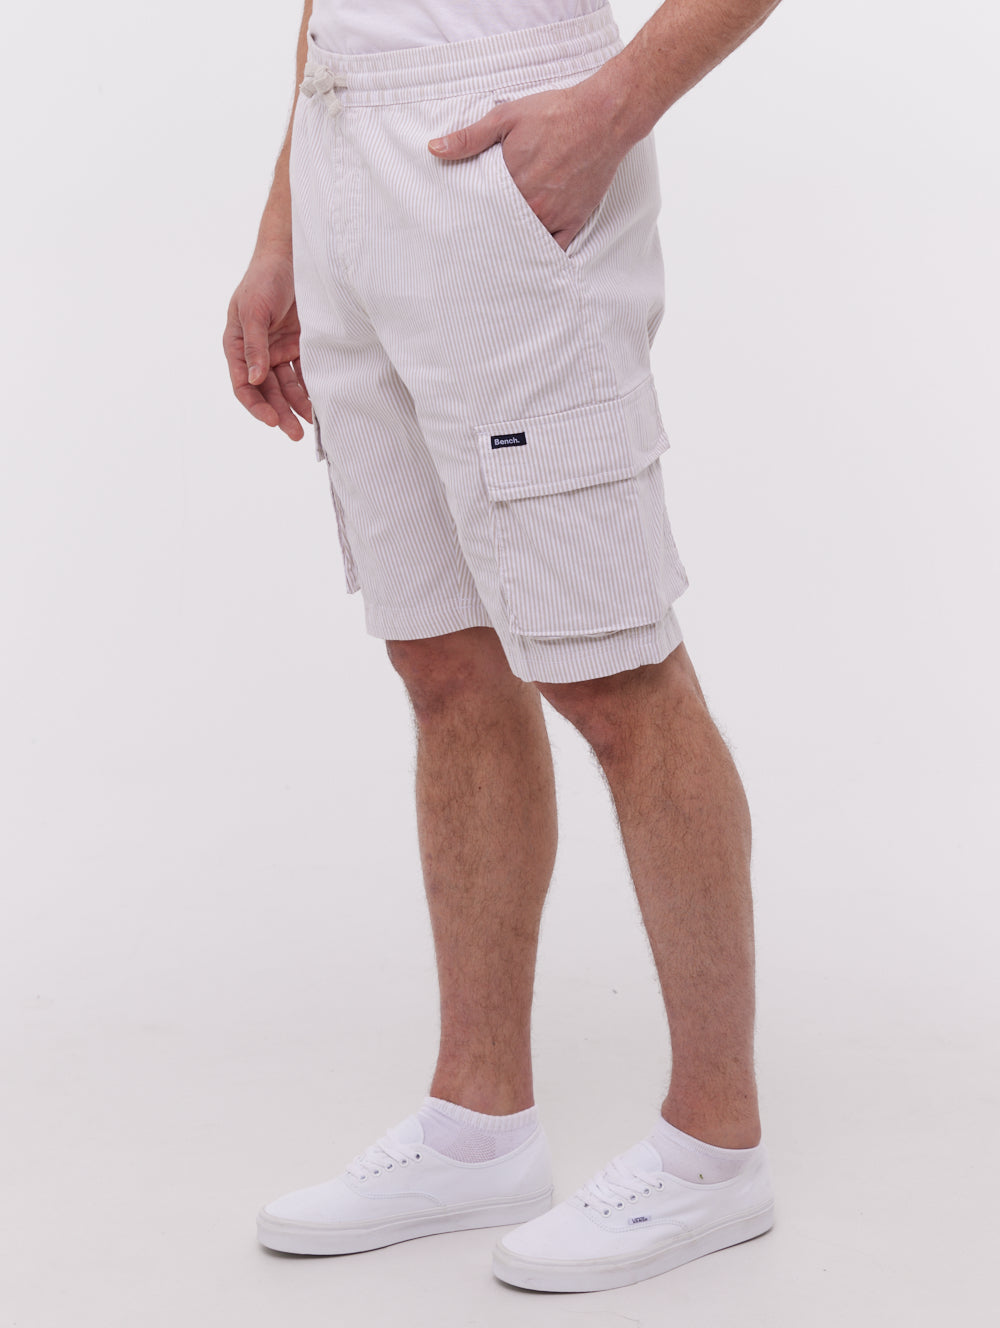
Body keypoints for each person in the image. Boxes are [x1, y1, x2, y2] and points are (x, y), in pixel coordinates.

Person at [223, 0, 782, 1294]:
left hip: (504, 143)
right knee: (441, 661)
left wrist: (615, 107)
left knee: (612, 672)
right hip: (346, 145)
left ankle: (716, 1149)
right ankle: (478, 1128)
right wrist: (283, 232)